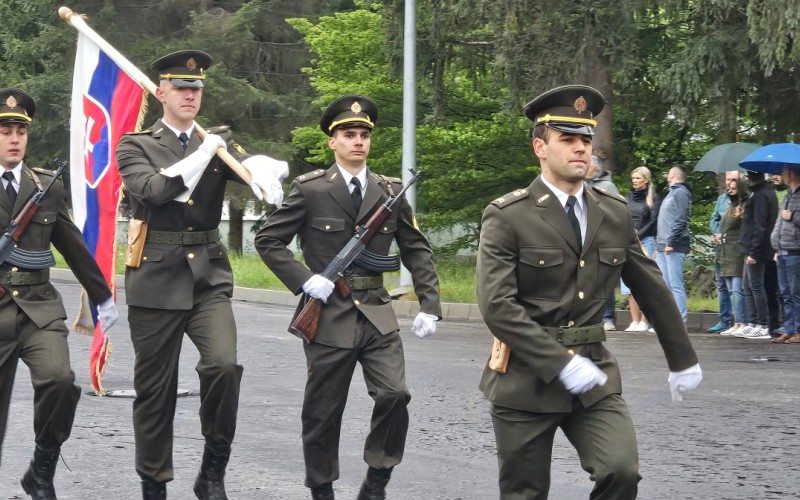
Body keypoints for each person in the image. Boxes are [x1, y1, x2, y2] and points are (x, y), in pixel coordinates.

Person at [476, 85, 702, 500]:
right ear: (540, 148)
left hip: (594, 372)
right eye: (568, 139)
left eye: (586, 139)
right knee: (524, 492)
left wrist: (682, 358)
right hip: (525, 379)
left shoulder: (611, 211)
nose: (581, 149)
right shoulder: (509, 215)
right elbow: (497, 306)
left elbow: (650, 286)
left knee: (621, 472)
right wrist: (558, 363)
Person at [115, 50, 288, 499]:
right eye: (181, 88)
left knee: (224, 366)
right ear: (161, 93)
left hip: (208, 277)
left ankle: (213, 470)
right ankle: (154, 484)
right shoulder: (135, 145)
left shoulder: (217, 141)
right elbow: (155, 191)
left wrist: (264, 168)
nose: (190, 95)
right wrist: (204, 152)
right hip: (155, 278)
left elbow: (249, 169)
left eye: (196, 89)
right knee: (155, 391)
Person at [255, 94, 442, 500]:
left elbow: (417, 249)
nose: (357, 141)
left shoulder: (389, 190)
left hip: (376, 312)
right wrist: (305, 280)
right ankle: (322, 489)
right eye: (348, 134)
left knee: (395, 394)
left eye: (363, 135)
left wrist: (430, 305)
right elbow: (268, 240)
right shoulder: (311, 190)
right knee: (323, 412)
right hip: (327, 313)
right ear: (332, 142)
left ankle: (376, 482)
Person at [0, 88, 117, 498]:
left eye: (20, 130)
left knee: (60, 380)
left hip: (39, 309)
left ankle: (42, 468)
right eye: (5, 130)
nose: (14, 138)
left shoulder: (46, 185)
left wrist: (102, 296)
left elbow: (71, 245)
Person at [736, 171, 778, 340]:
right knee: (748, 285)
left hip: (757, 249)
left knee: (755, 285)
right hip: (755, 246)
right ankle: (753, 322)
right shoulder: (761, 193)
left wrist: (754, 250)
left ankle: (762, 323)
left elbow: (760, 224)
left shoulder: (761, 194)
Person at [621, 166, 660, 332]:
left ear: (645, 179)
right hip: (628, 240)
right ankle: (634, 320)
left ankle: (645, 320)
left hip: (646, 241)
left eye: (638, 178)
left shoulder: (654, 198)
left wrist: (639, 234)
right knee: (629, 283)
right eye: (633, 178)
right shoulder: (628, 197)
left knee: (645, 282)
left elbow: (653, 221)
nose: (635, 181)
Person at [585, 153, 619, 331]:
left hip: (603, 240)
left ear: (593, 168)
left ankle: (607, 318)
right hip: (583, 239)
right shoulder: (580, 185)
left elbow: (616, 213)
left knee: (604, 280)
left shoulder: (608, 186)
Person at [655, 164, 692, 322]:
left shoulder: (681, 192)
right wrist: (659, 246)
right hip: (663, 246)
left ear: (672, 176)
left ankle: (680, 319)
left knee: (675, 284)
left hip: (674, 246)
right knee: (665, 286)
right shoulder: (672, 192)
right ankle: (669, 320)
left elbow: (681, 218)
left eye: (668, 173)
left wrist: (671, 241)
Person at [769, 164, 800, 343]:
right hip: (782, 250)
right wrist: (776, 246)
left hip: (795, 250)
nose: (782, 176)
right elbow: (780, 222)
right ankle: (789, 328)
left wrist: (793, 216)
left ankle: (798, 329)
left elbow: (789, 218)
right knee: (785, 293)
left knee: (796, 293)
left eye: (785, 173)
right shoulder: (788, 195)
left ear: (793, 174)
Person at [718, 174, 749, 336]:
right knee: (730, 289)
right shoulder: (730, 206)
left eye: (734, 187)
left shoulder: (744, 205)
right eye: (729, 186)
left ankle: (743, 321)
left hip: (736, 250)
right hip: (726, 250)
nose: (730, 189)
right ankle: (736, 321)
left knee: (738, 290)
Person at [707, 171, 736, 333]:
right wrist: (717, 232)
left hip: (733, 247)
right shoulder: (721, 199)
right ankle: (724, 319)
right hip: (720, 247)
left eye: (734, 180)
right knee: (722, 285)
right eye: (728, 179)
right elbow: (713, 218)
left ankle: (738, 320)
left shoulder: (744, 198)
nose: (730, 183)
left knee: (735, 287)